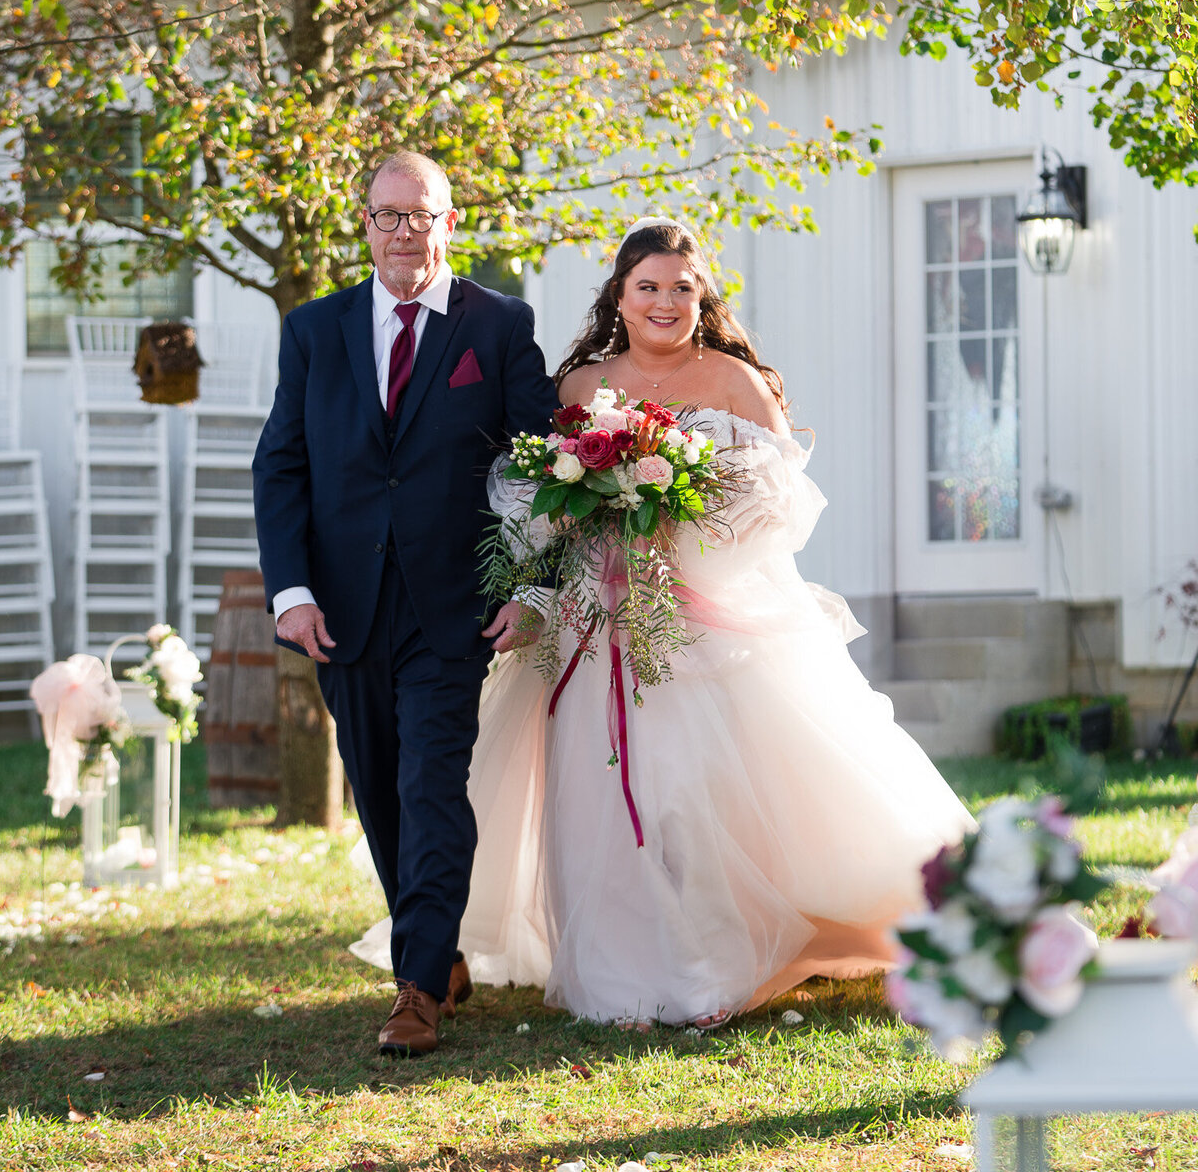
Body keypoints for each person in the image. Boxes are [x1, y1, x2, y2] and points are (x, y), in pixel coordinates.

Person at [350, 214, 972, 1028]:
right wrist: (575, 527)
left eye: (683, 287)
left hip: (699, 622)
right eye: (648, 287)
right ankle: (625, 971)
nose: (666, 302)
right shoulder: (577, 388)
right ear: (620, 295)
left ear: (702, 295)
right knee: (596, 799)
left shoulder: (734, 383)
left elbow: (781, 505)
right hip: (591, 621)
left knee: (685, 795)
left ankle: (716, 960)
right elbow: (528, 492)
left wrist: (683, 526)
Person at [253, 151, 557, 1057]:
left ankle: (416, 989)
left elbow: (542, 465)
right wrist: (292, 593)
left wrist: (532, 586)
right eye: (386, 216)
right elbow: (282, 465)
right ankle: (438, 947)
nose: (402, 232)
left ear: (449, 221)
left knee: (431, 787)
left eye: (419, 215)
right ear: (367, 223)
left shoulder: (499, 325)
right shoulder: (314, 330)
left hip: (452, 608)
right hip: (340, 610)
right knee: (381, 793)